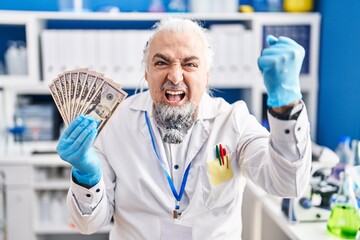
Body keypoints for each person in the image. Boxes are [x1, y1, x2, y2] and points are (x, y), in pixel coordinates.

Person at [56, 18, 311, 239]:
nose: (175, 76)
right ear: (146, 73)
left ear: (207, 75)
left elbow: (288, 184)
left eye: (190, 64)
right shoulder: (114, 121)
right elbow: (88, 224)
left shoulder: (233, 121)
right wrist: (85, 176)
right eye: (161, 63)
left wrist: (286, 105)